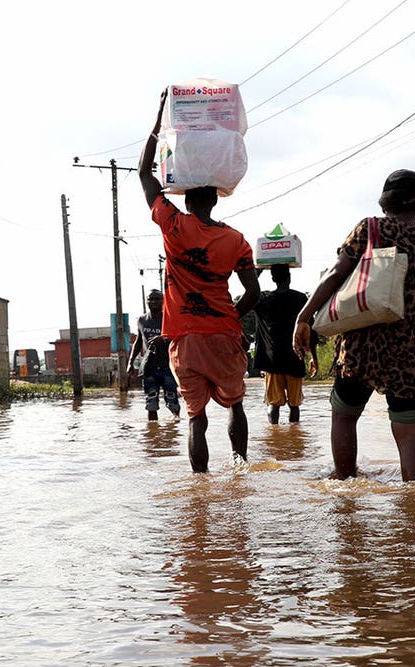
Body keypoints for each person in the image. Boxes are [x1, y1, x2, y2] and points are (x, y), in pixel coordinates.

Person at [293, 170, 415, 481]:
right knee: (409, 436)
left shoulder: (370, 229)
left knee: (344, 416)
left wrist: (304, 317)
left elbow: (335, 275)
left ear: (385, 202)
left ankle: (344, 488)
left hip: (361, 347)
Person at [139, 90, 261, 473]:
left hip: (186, 339)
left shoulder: (174, 226)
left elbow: (144, 174)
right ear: (215, 200)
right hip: (223, 334)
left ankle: (201, 486)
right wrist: (230, 318)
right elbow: (253, 293)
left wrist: (159, 118)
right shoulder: (236, 240)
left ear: (188, 200)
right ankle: (241, 471)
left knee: (196, 418)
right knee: (236, 404)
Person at [253, 264, 318, 424]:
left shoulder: (264, 300)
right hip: (295, 358)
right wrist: (314, 358)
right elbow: (310, 330)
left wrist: (256, 273)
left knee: (273, 404)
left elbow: (249, 295)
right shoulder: (300, 299)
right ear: (289, 277)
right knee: (294, 406)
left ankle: (274, 435)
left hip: (272, 360)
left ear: (273, 278)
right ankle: (294, 436)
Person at [129, 288, 182, 421]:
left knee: (172, 402)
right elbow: (138, 342)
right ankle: (153, 433)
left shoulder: (169, 319)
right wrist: (130, 363)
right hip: (149, 368)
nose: (153, 302)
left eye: (157, 299)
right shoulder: (142, 320)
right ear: (147, 302)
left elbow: (180, 338)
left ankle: (175, 427)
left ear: (163, 301)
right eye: (150, 299)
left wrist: (163, 338)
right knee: (151, 403)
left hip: (168, 367)